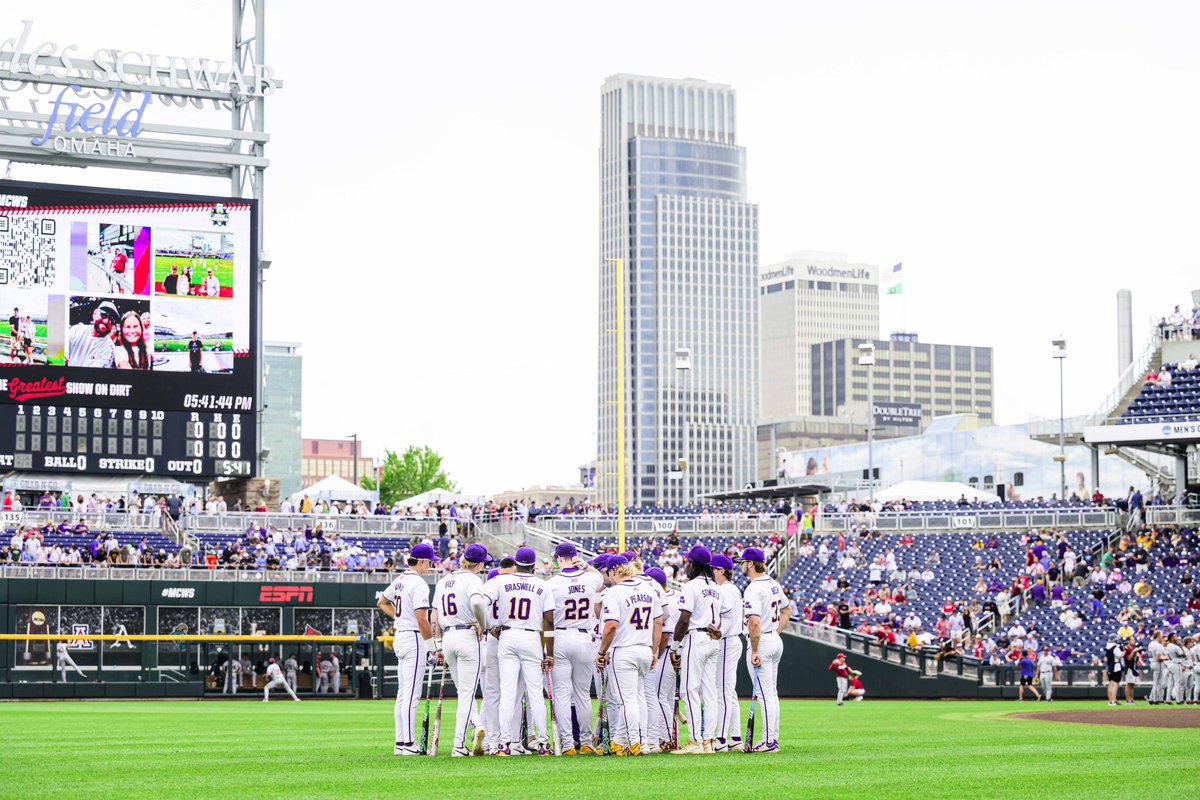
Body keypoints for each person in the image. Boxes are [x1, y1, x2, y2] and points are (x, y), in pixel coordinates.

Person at [483, 546, 556, 757]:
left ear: (516, 563)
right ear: (533, 565)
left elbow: (479, 602)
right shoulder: (543, 585)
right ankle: (543, 743)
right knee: (535, 693)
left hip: (507, 635)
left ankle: (504, 744)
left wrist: (489, 625)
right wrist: (549, 653)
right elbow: (549, 621)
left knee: (507, 692)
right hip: (531, 636)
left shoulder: (500, 581)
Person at [595, 554, 662, 756]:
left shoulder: (614, 593)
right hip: (644, 648)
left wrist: (602, 651)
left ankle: (634, 742)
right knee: (637, 696)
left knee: (627, 700)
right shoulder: (649, 589)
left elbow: (611, 625)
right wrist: (653, 651)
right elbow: (658, 623)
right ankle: (622, 740)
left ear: (614, 572)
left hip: (624, 650)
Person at [377, 542, 438, 756]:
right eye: (429, 562)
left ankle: (401, 742)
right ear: (421, 561)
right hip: (413, 638)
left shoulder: (400, 579)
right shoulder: (418, 583)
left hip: (400, 636)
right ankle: (408, 743)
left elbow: (382, 602)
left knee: (403, 694)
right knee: (411, 695)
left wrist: (398, 616)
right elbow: (422, 620)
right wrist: (432, 647)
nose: (431, 566)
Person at [431, 542, 491, 757]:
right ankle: (458, 745)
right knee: (466, 693)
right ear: (481, 563)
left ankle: (477, 725)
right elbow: (477, 603)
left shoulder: (444, 580)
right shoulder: (473, 579)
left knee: (462, 692)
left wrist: (437, 645)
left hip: (447, 637)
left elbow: (434, 617)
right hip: (467, 635)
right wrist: (485, 626)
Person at [545, 542, 603, 756]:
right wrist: (586, 565)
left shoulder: (551, 583)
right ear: (575, 556)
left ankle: (568, 744)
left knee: (561, 693)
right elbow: (600, 577)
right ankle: (587, 742)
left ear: (559, 558)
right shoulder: (589, 578)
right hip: (584, 637)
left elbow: (547, 618)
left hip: (560, 636)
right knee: (583, 694)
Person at [669, 545, 722, 755]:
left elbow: (683, 620)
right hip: (712, 638)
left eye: (688, 562)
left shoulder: (691, 586)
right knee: (709, 692)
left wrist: (675, 647)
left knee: (689, 690)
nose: (686, 565)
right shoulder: (716, 587)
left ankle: (695, 741)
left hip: (696, 638)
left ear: (694, 564)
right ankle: (708, 741)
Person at [741, 547, 788, 751]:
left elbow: (755, 623)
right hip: (773, 639)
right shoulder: (773, 583)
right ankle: (772, 738)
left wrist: (755, 649)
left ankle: (770, 741)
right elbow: (787, 610)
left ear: (750, 564)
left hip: (763, 642)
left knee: (764, 693)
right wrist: (775, 632)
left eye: (743, 562)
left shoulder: (754, 588)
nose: (741, 565)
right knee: (771, 692)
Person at [645, 567, 681, 753]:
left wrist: (656, 656)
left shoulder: (666, 602)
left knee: (659, 697)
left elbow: (665, 633)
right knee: (665, 697)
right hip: (675, 650)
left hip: (665, 650)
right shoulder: (676, 596)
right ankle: (670, 738)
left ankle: (666, 738)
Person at [711, 553, 745, 752]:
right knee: (728, 692)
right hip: (731, 640)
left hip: (727, 641)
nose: (711, 572)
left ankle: (722, 739)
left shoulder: (726, 589)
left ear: (721, 570)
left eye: (713, 569)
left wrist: (718, 632)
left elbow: (729, 618)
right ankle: (735, 738)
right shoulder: (730, 589)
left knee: (723, 691)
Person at [67, 300, 119, 368]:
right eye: (104, 315)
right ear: (95, 314)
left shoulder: (109, 349)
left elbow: (93, 375)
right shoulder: (76, 331)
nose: (106, 321)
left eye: (112, 320)